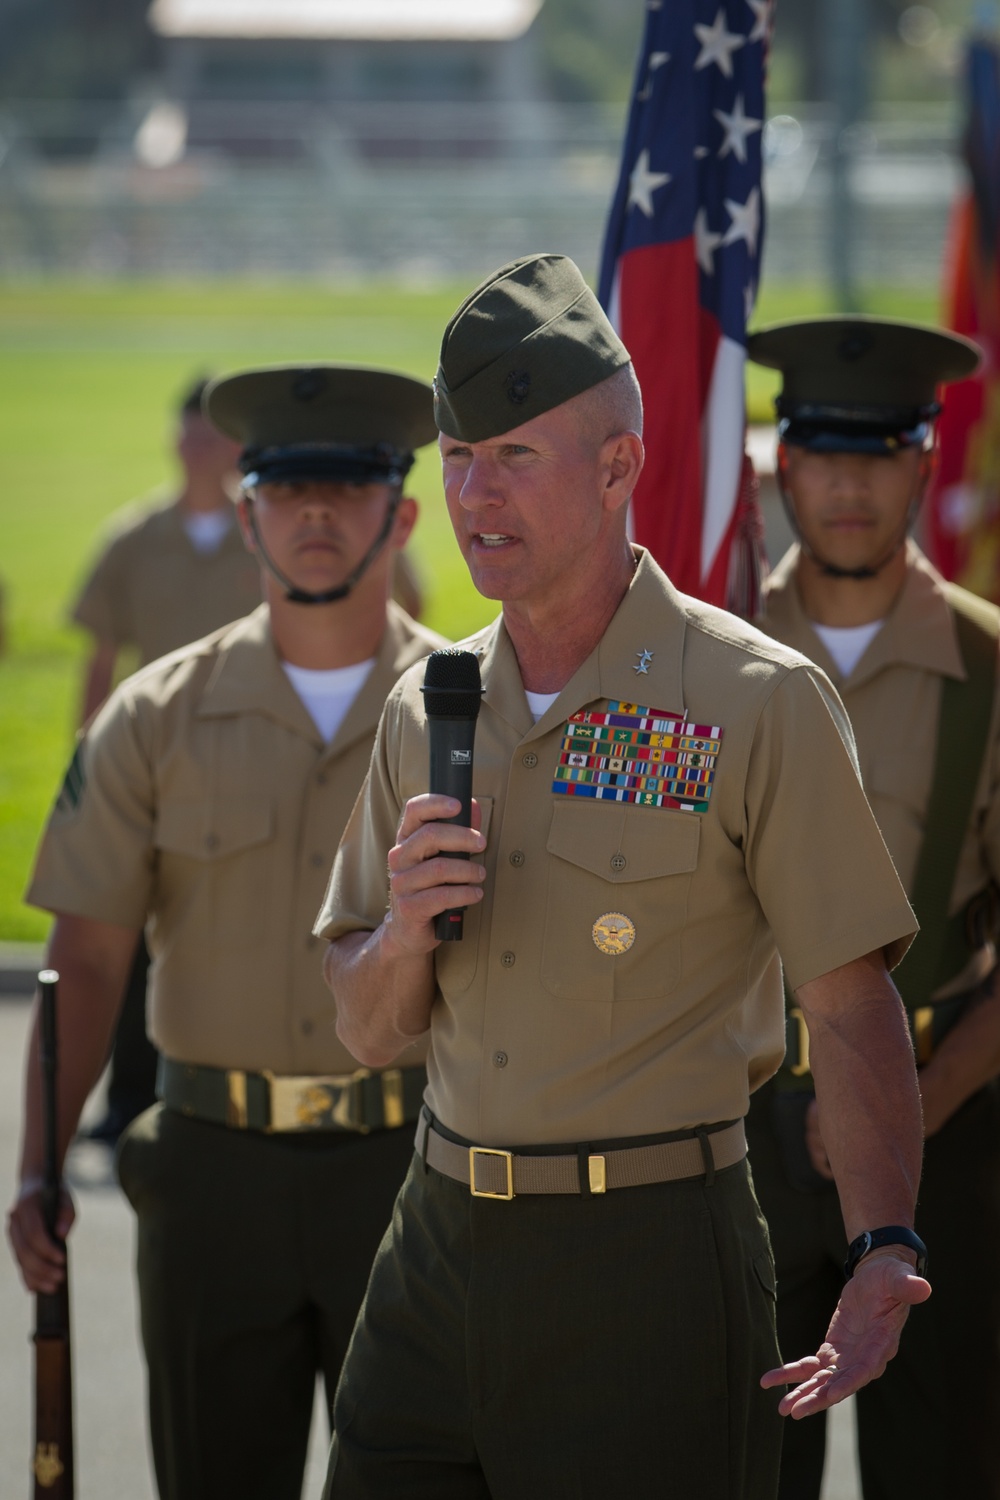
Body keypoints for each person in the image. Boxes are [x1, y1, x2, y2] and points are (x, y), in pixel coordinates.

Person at [312, 255, 930, 1500]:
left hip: (644, 1262)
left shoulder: (755, 702)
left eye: (517, 458)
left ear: (616, 467)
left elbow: (851, 1004)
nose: (476, 495)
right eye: (458, 457)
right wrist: (404, 937)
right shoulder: (423, 706)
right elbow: (365, 1027)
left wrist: (882, 1245)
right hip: (432, 1248)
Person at [8, 363, 447, 1500]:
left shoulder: (472, 713)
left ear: (399, 514)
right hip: (213, 1175)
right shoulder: (151, 717)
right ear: (244, 511)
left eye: (346, 489)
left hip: (418, 1169)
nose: (313, 514)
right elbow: (89, 959)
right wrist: (36, 1164)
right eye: (286, 487)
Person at [746, 315, 1000, 1500]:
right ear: (779, 462)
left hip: (945, 1131)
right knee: (740, 1464)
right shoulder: (709, 655)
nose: (847, 482)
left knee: (943, 1462)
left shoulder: (988, 668)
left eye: (878, 450)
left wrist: (908, 1106)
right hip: (737, 1135)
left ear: (924, 464)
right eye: (822, 450)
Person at [71, 374, 261, 1143]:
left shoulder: (274, 529)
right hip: (152, 769)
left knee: (248, 932)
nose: (198, 449)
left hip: (254, 765)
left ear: (237, 449)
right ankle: (128, 1099)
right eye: (189, 434)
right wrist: (88, 762)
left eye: (212, 436)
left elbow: (396, 605)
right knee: (135, 936)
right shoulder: (135, 537)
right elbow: (100, 656)